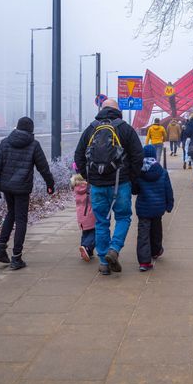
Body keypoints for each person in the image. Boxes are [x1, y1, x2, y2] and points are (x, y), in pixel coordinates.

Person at [74, 99, 144, 275]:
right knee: (123, 217)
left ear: (102, 109)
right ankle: (114, 248)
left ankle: (104, 262)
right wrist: (130, 177)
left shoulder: (91, 128)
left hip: (97, 185)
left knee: (101, 222)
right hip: (120, 183)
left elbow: (78, 156)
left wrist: (90, 175)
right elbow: (138, 156)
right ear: (117, 110)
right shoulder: (125, 129)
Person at [0, 116, 55, 270]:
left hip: (6, 187)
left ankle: (0, 246)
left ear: (17, 127)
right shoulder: (33, 145)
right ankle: (16, 257)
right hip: (22, 188)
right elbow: (43, 167)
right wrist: (50, 184)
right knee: (21, 220)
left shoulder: (5, 142)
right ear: (31, 130)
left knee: (10, 213)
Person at [135, 145, 174, 271]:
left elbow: (134, 190)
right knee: (157, 230)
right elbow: (168, 189)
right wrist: (169, 204)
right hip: (158, 208)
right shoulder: (162, 172)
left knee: (143, 234)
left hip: (143, 208)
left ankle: (144, 262)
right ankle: (156, 251)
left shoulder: (139, 172)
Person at [71, 172, 96, 262]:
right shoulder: (89, 187)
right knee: (95, 233)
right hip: (91, 214)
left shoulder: (76, 188)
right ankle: (86, 247)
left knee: (85, 233)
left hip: (81, 216)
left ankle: (86, 252)